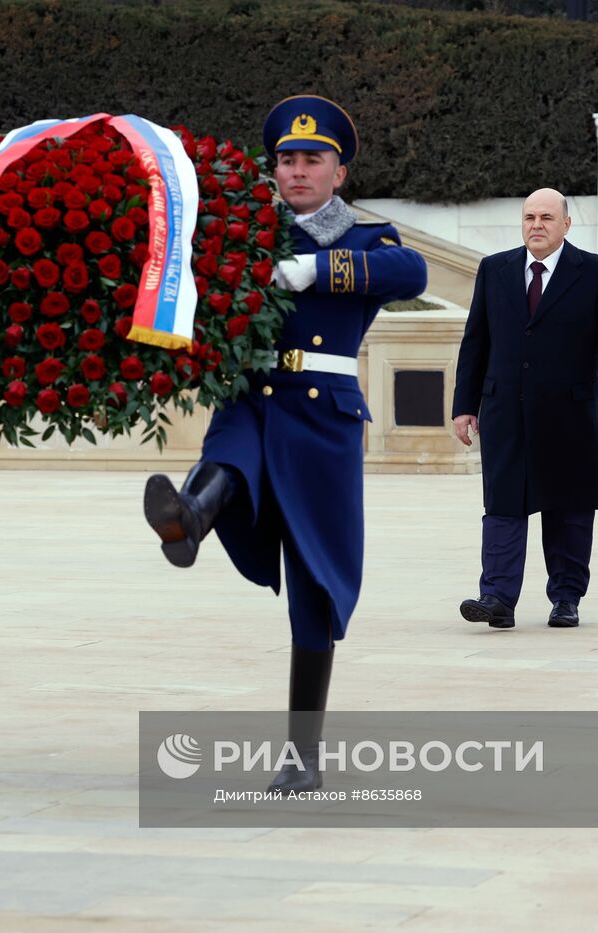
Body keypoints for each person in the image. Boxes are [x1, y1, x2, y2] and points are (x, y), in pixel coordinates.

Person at [143, 95, 427, 793]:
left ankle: (303, 754)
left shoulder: (366, 241)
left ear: (339, 173)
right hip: (252, 392)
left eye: (313, 160)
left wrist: (319, 270)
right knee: (229, 452)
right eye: (287, 160)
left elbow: (412, 274)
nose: (297, 171)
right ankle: (190, 515)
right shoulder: (245, 235)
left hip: (321, 419)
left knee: (312, 582)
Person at [451, 188, 598, 630]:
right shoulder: (494, 269)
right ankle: (496, 597)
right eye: (530, 216)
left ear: (566, 224)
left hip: (571, 413)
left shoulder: (597, 274)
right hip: (504, 412)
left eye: (547, 218)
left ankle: (566, 598)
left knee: (569, 507)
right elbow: (476, 339)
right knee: (503, 505)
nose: (537, 225)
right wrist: (464, 405)